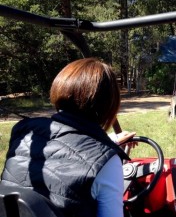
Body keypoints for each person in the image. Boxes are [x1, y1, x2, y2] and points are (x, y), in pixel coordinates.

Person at [0, 58, 135, 217]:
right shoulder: (108, 164)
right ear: (109, 104)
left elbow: (61, 148)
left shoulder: (23, 131)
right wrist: (107, 153)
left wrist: (111, 141)